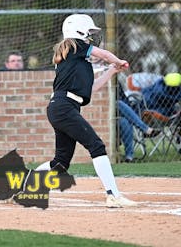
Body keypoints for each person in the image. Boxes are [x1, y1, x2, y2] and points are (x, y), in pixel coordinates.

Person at [34, 13, 137, 208]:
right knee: (96, 146)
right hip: (63, 107)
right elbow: (105, 55)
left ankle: (25, 186)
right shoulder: (74, 46)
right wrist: (117, 61)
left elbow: (92, 89)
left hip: (63, 107)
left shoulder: (78, 61)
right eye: (88, 33)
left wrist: (112, 71)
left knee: (60, 163)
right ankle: (113, 194)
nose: (91, 37)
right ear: (78, 32)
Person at [118, 72, 181, 163]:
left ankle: (129, 156)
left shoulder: (159, 88)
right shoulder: (170, 93)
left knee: (125, 121)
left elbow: (128, 99)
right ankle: (146, 129)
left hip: (148, 112)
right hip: (152, 113)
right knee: (120, 106)